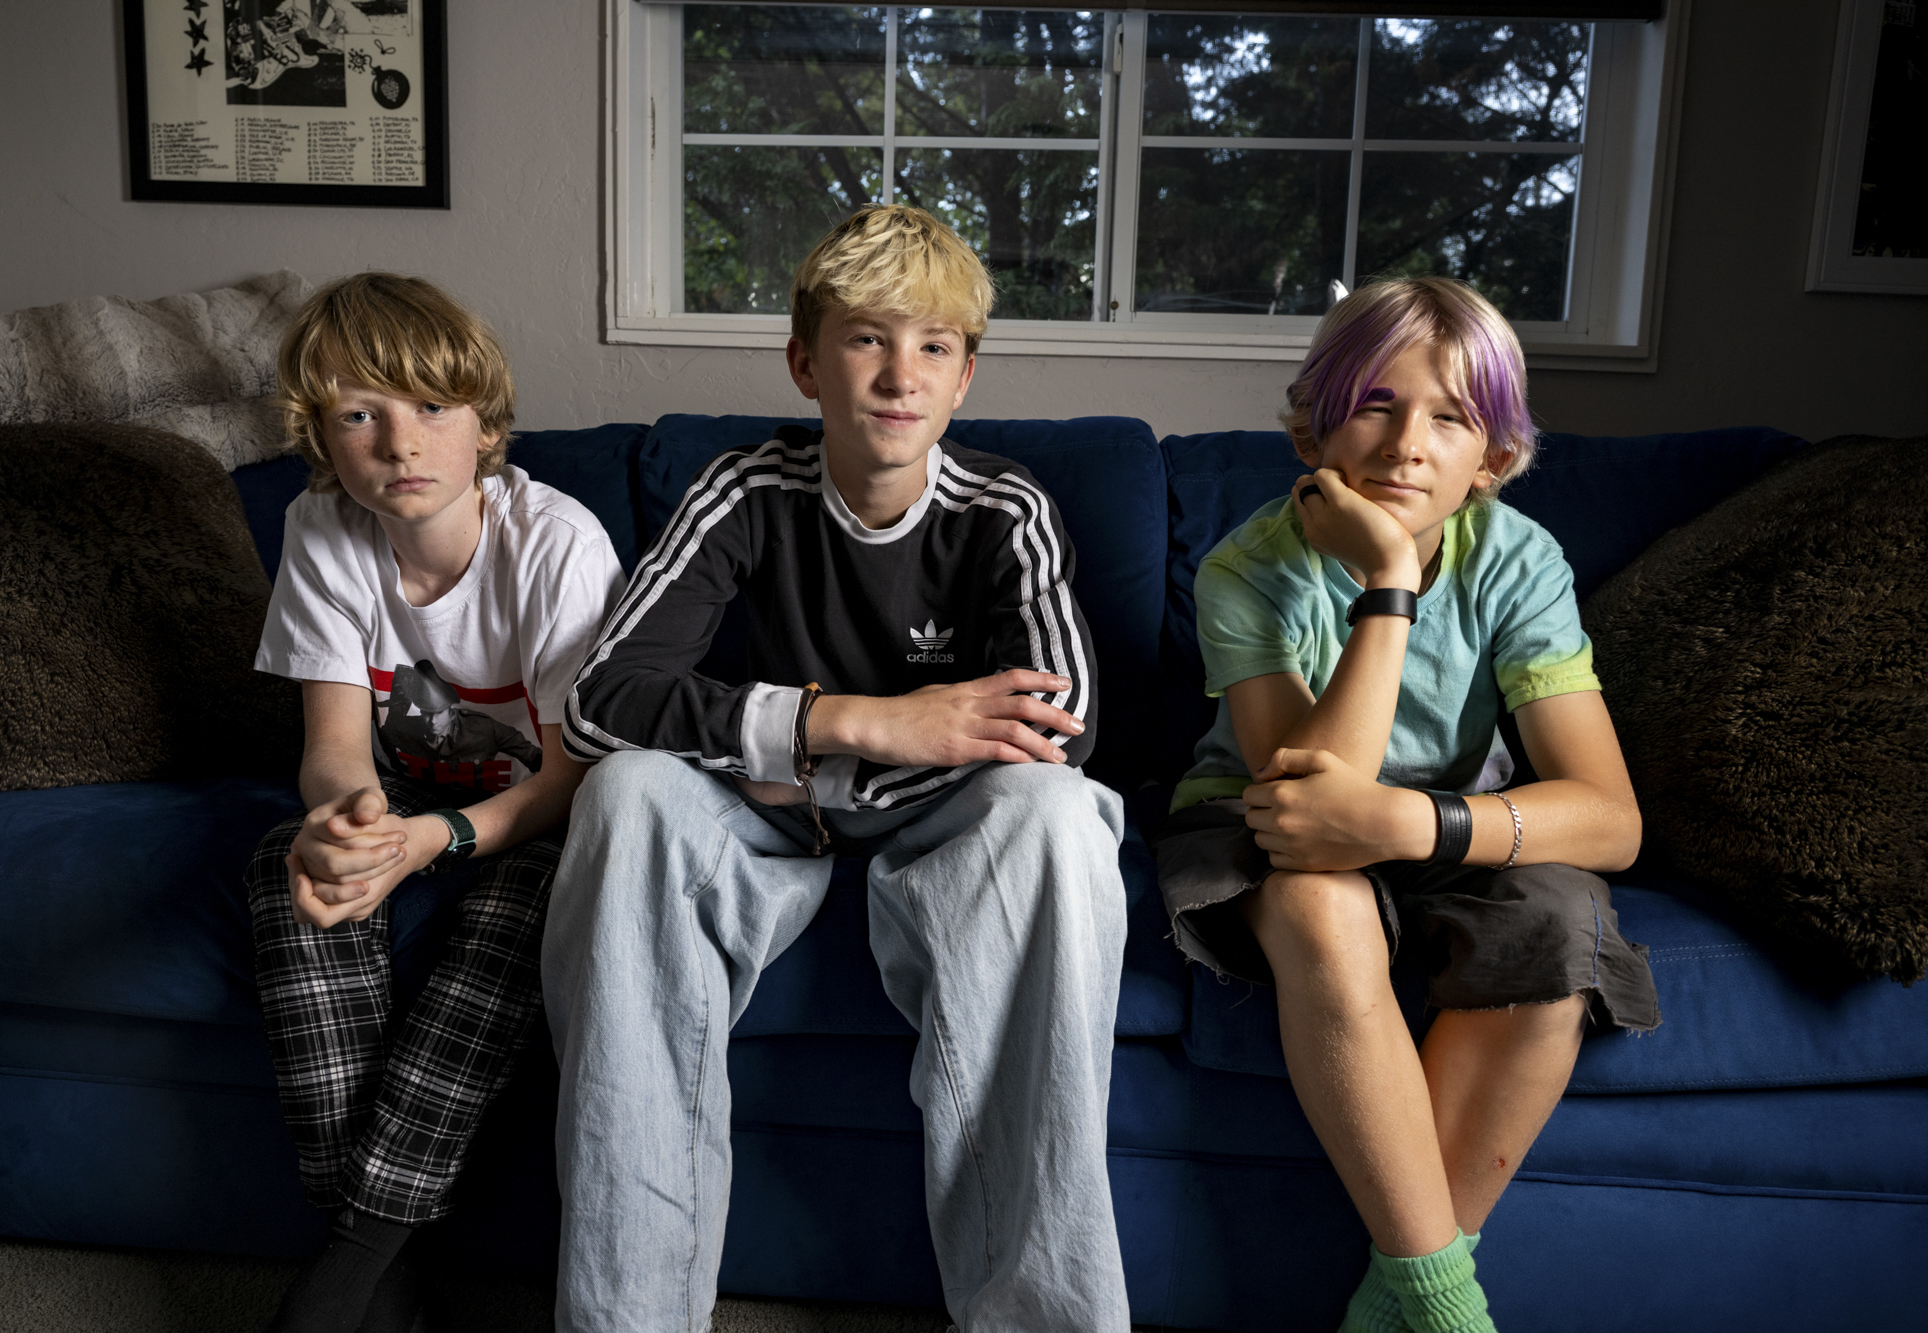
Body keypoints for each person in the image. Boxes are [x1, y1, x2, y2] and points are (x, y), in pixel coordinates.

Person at [543, 205, 1131, 1333]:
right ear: (805, 362)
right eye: (865, 339)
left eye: (932, 346)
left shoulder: (1005, 508)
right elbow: (601, 699)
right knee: (627, 791)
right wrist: (861, 721)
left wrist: (841, 769)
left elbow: (1063, 724)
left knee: (1058, 813)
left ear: (964, 375)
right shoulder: (740, 487)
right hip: (769, 822)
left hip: (943, 829)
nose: (897, 375)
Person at [1156, 277, 1659, 1333]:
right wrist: (1387, 581)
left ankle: (1404, 1296)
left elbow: (1610, 819)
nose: (1404, 444)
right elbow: (1303, 801)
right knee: (1315, 902)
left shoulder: (1518, 563)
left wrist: (1419, 824)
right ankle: (1445, 1311)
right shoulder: (1248, 568)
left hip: (1436, 821)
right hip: (1260, 818)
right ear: (1311, 428)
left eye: (1448, 417)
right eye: (1373, 404)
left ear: (1494, 459)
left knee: (1559, 924)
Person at [247, 272, 625, 1333]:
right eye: (359, 415)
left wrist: (439, 839)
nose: (399, 445)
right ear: (322, 438)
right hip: (403, 792)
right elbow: (331, 747)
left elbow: (575, 774)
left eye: (430, 410)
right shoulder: (321, 527)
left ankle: (354, 1256)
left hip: (539, 803)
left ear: (486, 426)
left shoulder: (554, 544)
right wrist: (352, 828)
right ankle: (389, 1280)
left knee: (521, 910)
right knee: (294, 874)